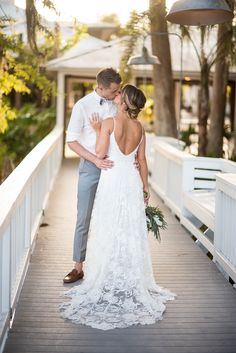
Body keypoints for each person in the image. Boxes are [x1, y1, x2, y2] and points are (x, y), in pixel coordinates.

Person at [60, 84, 176, 330]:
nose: (117, 96)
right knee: (129, 229)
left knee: (108, 227)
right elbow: (141, 161)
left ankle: (107, 276)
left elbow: (101, 154)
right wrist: (145, 188)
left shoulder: (110, 122)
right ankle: (128, 276)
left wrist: (98, 129)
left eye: (120, 95)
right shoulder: (140, 128)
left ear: (124, 102)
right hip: (131, 182)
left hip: (112, 180)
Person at [63, 68, 122, 284]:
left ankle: (110, 265)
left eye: (119, 90)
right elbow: (71, 141)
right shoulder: (82, 106)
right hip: (91, 166)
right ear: (101, 87)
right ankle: (78, 266)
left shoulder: (119, 104)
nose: (118, 94)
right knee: (83, 216)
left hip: (116, 168)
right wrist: (95, 160)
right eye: (114, 90)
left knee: (113, 217)